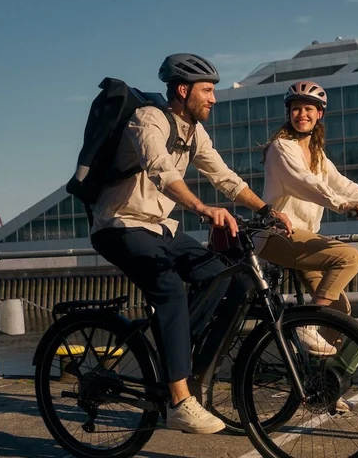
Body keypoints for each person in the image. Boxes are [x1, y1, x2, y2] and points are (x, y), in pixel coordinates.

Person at [89, 53, 293, 434]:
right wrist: (202, 208)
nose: (213, 98)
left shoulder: (194, 132)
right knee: (169, 292)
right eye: (207, 90)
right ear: (183, 90)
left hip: (161, 228)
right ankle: (180, 401)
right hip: (120, 225)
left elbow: (225, 177)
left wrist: (267, 210)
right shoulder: (148, 119)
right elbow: (161, 173)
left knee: (234, 278)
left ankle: (186, 355)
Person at [257, 81, 358, 356]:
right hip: (277, 236)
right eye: (296, 109)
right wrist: (347, 205)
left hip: (303, 240)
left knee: (339, 312)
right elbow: (308, 184)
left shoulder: (317, 155)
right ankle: (307, 324)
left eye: (308, 109)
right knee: (349, 257)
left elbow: (341, 183)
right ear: (289, 114)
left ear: (319, 114)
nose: (302, 114)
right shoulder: (281, 148)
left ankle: (323, 386)